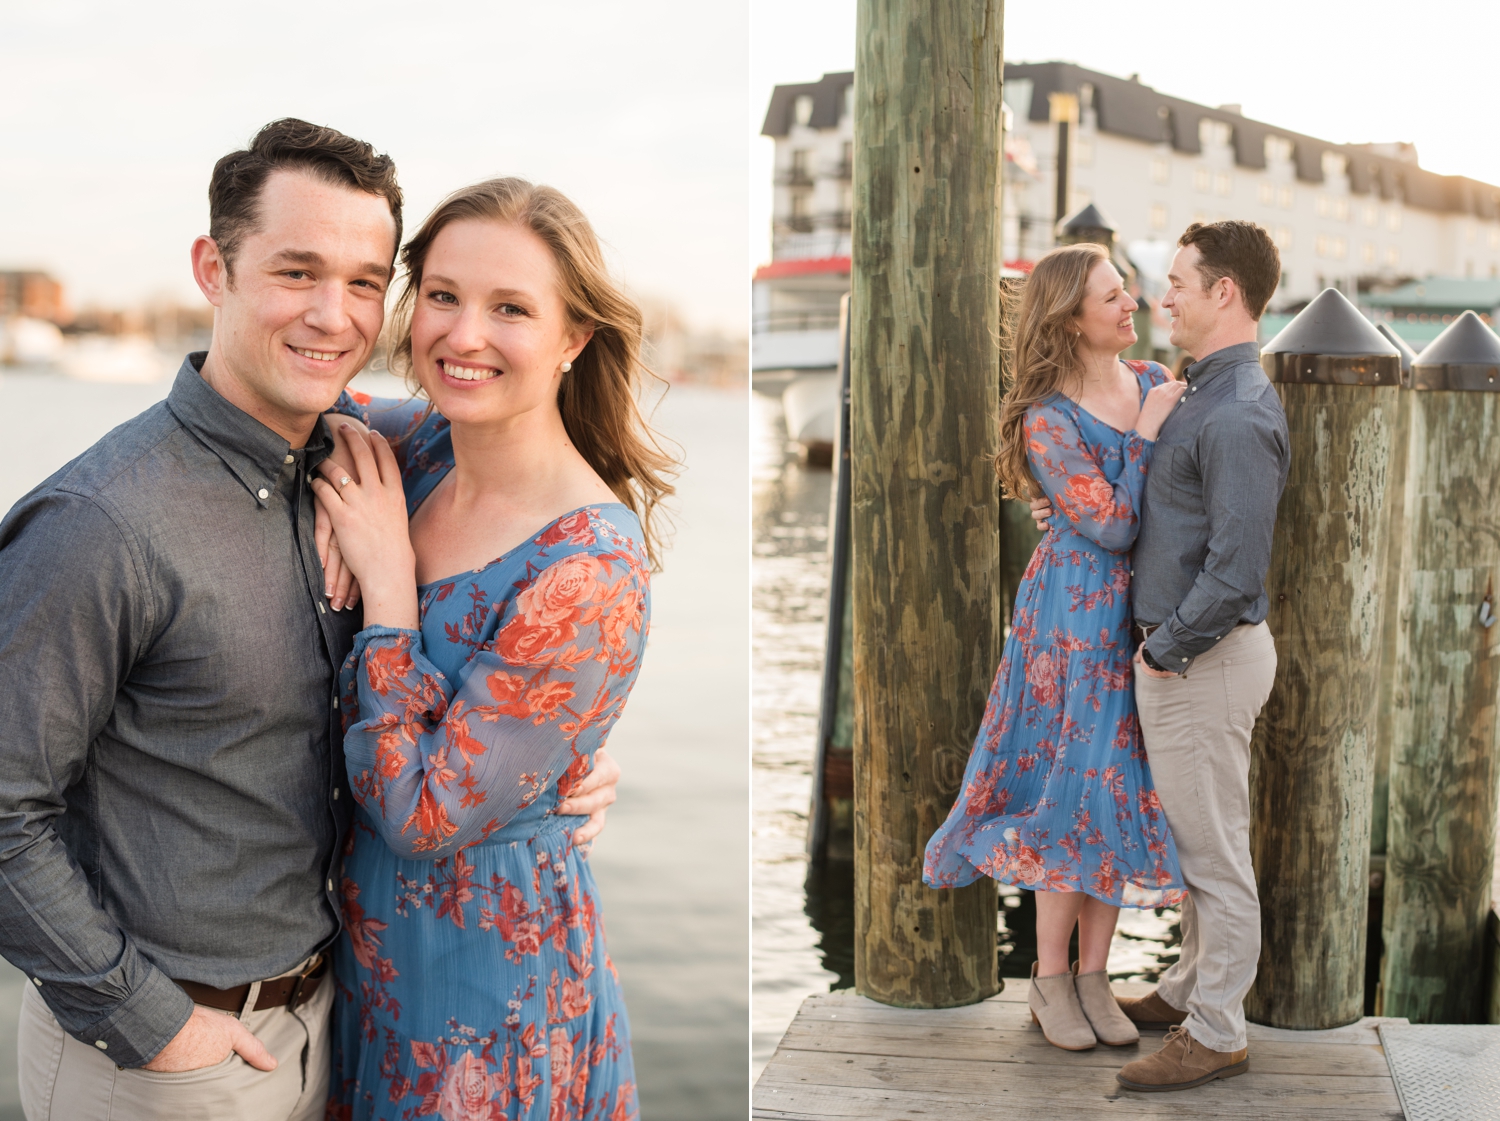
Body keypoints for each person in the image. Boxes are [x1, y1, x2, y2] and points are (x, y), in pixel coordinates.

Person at [0, 120, 619, 1121]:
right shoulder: (101, 524)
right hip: (164, 1058)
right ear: (214, 268)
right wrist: (151, 1020)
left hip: (338, 1024)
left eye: (366, 281)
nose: (333, 316)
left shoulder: (369, 461)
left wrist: (556, 763)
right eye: (296, 271)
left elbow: (521, 530)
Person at [310, 178, 674, 1121]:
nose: (463, 335)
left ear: (572, 338)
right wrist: (328, 455)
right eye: (442, 295)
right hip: (370, 951)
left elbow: (425, 813)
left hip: (485, 977)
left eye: (510, 307)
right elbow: (286, 382)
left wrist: (387, 590)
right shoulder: (425, 446)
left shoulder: (587, 568)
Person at [1032, 221, 1290, 1092]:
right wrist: (1061, 511)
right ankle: (1186, 987)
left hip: (1199, 661)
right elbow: (1141, 504)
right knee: (1198, 847)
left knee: (1215, 857)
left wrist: (1164, 653)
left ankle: (1216, 1029)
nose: (1160, 296)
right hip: (1181, 660)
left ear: (1224, 293)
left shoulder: (1241, 408)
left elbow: (1234, 569)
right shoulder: (1190, 390)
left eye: (1177, 281)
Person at [923, 243, 1188, 1053]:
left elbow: (1168, 500)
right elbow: (1110, 525)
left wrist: (1142, 444)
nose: (1130, 302)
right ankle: (1047, 977)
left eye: (1128, 290)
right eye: (1112, 294)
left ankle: (1093, 975)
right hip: (1070, 623)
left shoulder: (1151, 381)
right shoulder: (1048, 415)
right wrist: (1141, 441)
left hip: (1136, 617)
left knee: (1114, 789)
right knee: (1070, 789)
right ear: (1070, 316)